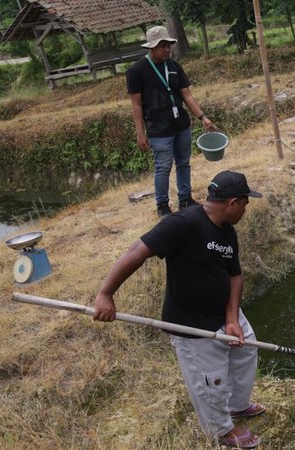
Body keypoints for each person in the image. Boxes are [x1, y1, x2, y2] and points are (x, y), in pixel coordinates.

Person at [93, 170, 265, 449]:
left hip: (224, 312)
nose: (246, 209)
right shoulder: (183, 222)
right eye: (246, 202)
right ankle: (220, 430)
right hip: (191, 321)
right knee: (211, 379)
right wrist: (105, 294)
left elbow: (235, 276)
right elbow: (138, 250)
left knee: (246, 350)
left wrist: (232, 318)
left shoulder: (227, 231)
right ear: (233, 202)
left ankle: (237, 406)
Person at [127, 25, 217, 218]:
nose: (167, 49)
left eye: (168, 45)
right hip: (159, 130)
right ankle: (163, 206)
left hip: (181, 125)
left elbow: (187, 95)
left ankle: (185, 200)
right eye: (162, 46)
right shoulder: (136, 71)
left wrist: (202, 117)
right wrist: (140, 133)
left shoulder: (174, 67)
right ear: (151, 47)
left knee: (183, 163)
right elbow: (136, 105)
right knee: (163, 167)